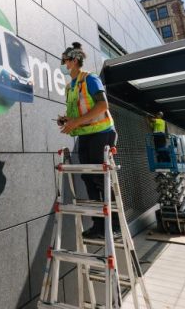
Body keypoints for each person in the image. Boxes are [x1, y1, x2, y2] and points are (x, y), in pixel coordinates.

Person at [56, 42, 119, 239]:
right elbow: (77, 113)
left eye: (64, 61)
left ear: (74, 61)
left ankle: (115, 225)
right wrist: (67, 120)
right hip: (86, 135)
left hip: (102, 133)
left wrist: (75, 123)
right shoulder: (70, 87)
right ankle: (99, 226)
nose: (62, 65)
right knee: (88, 179)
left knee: (100, 178)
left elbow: (102, 106)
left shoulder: (90, 79)